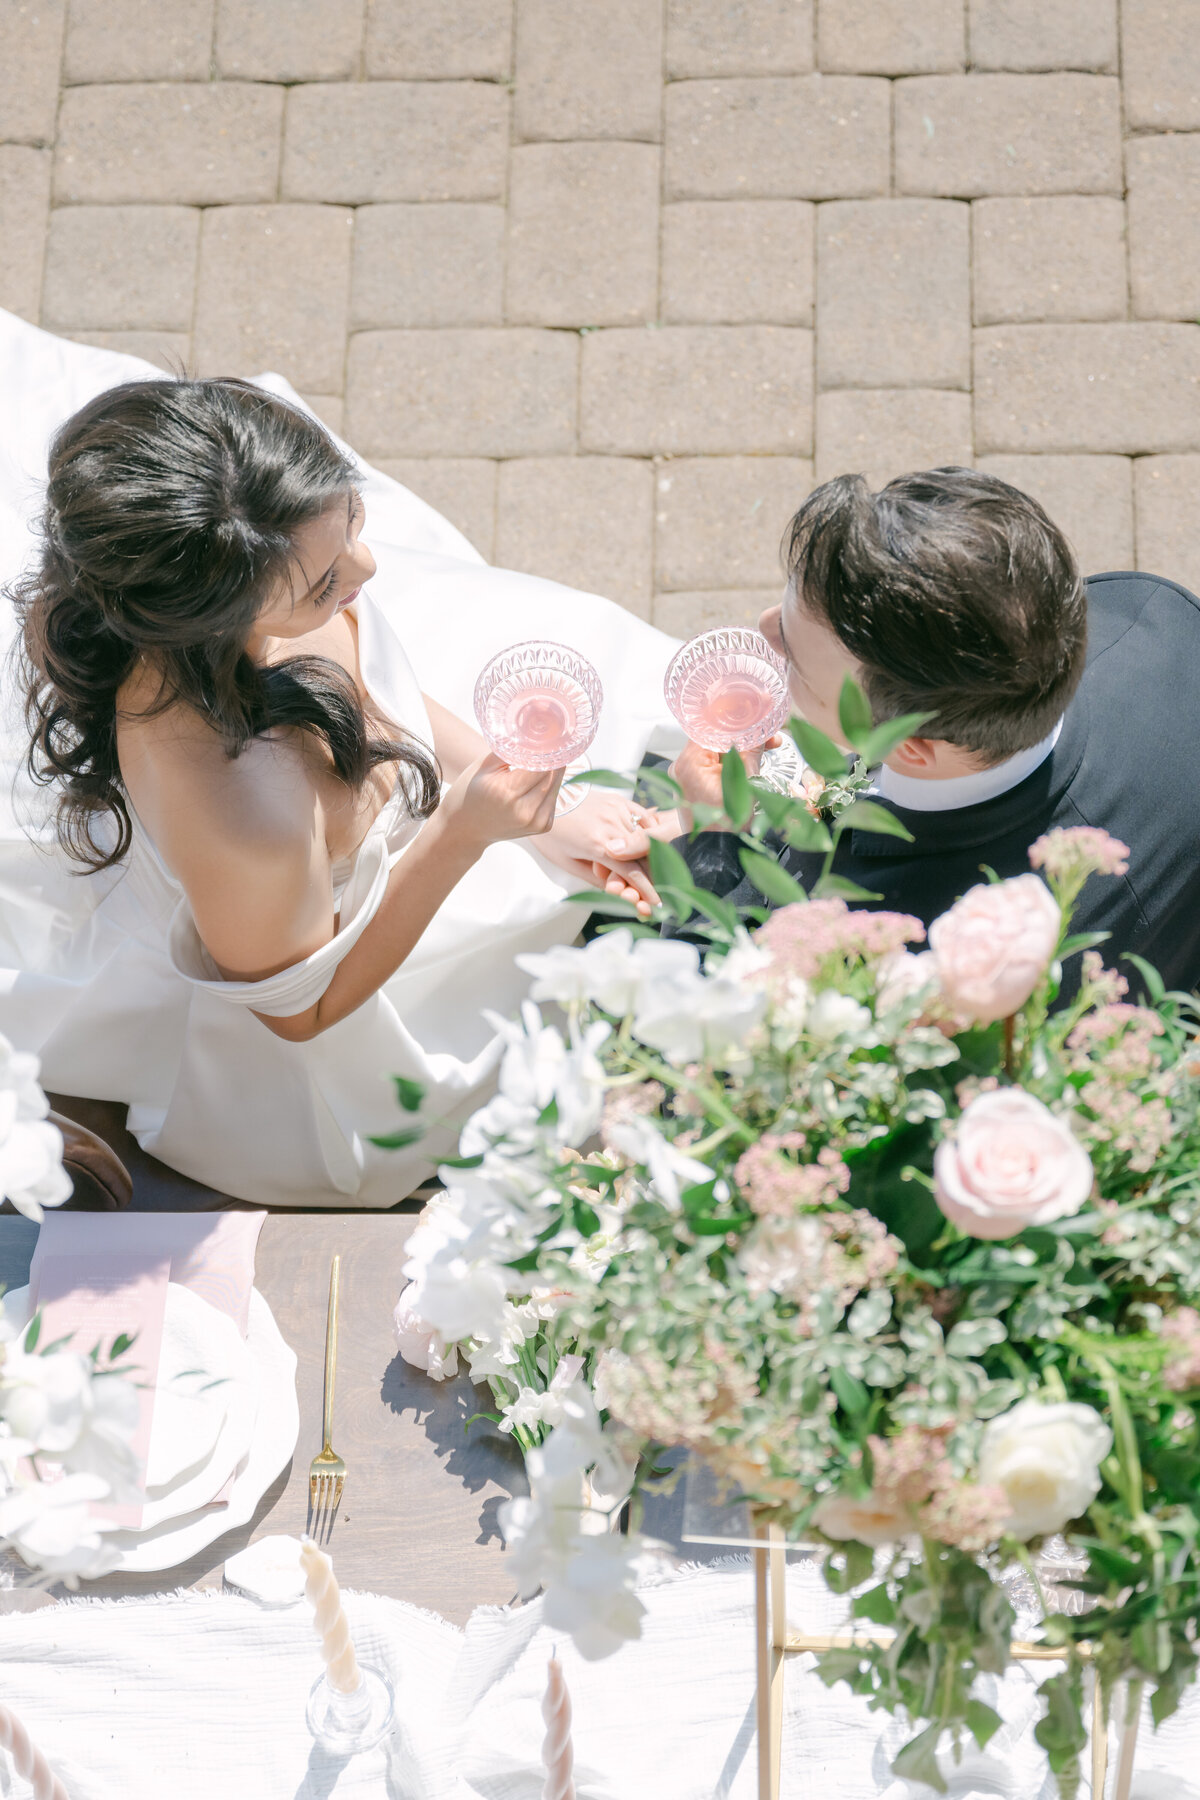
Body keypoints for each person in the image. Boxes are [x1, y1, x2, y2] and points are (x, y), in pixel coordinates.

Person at [0, 310, 683, 1206]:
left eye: (354, 520)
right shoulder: (242, 818)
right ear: (215, 616)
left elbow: (376, 692)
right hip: (345, 1037)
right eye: (325, 581)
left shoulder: (261, 583)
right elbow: (302, 1013)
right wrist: (468, 835)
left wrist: (542, 824)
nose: (366, 564)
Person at [671, 468, 1200, 995]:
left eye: (794, 662)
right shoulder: (1151, 617)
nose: (763, 630)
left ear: (911, 748)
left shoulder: (898, 958)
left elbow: (699, 1021)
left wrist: (714, 838)